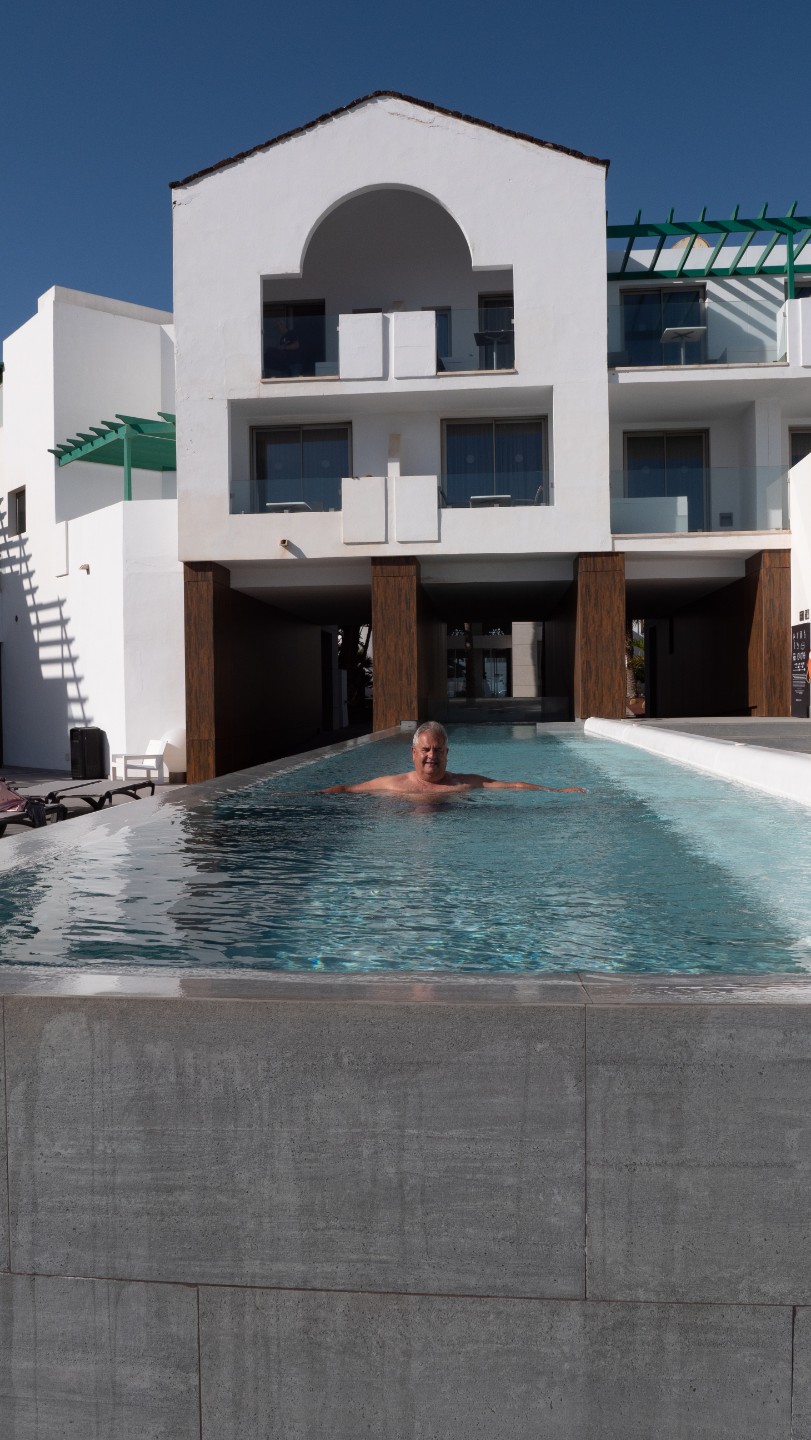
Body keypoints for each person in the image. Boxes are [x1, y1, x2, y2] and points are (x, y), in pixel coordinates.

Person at [323, 721, 585, 796]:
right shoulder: (393, 785)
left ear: (447, 754)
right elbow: (348, 790)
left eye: (438, 750)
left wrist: (556, 790)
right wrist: (313, 795)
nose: (432, 756)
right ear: (413, 753)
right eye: (426, 750)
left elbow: (512, 785)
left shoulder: (462, 783)